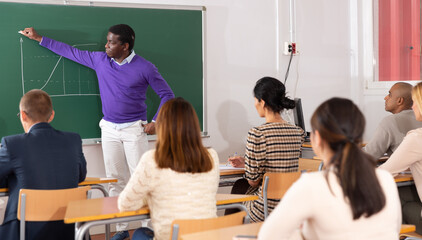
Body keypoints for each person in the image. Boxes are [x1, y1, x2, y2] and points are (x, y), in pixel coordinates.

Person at [20, 24, 174, 239]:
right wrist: (39, 38)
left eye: (111, 42)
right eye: (107, 41)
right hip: (109, 128)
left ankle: (148, 229)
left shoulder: (145, 67)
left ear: (125, 46)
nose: (106, 45)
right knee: (115, 180)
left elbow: (168, 95)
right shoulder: (100, 60)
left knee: (142, 180)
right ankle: (121, 230)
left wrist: (156, 121)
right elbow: (70, 52)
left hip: (134, 130)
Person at [258, 97, 401, 240]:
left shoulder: (311, 184)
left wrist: (301, 234)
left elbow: (268, 236)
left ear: (317, 138)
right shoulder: (385, 179)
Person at [117, 98, 219, 240]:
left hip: (173, 237)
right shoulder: (211, 156)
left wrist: (149, 196)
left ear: (162, 126)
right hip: (208, 236)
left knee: (140, 233)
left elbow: (125, 204)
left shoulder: (152, 159)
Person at [0, 89, 87, 240]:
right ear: (52, 115)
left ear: (23, 115)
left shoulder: (11, 144)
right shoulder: (73, 140)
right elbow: (80, 176)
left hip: (26, 231)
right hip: (69, 229)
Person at [227, 76, 305, 222]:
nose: (254, 104)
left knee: (239, 186)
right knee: (240, 186)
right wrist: (247, 163)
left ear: (262, 102)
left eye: (255, 100)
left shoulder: (257, 134)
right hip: (288, 205)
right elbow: (279, 165)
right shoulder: (297, 132)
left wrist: (250, 166)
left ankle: (231, 232)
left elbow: (253, 181)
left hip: (265, 208)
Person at [379, 81, 422, 234]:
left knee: (393, 197)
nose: (413, 107)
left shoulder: (417, 137)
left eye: (415, 102)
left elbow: (383, 173)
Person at [364, 82, 422, 159]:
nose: (385, 98)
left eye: (390, 95)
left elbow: (369, 154)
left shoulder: (390, 121)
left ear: (399, 101)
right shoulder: (419, 117)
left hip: (403, 169)